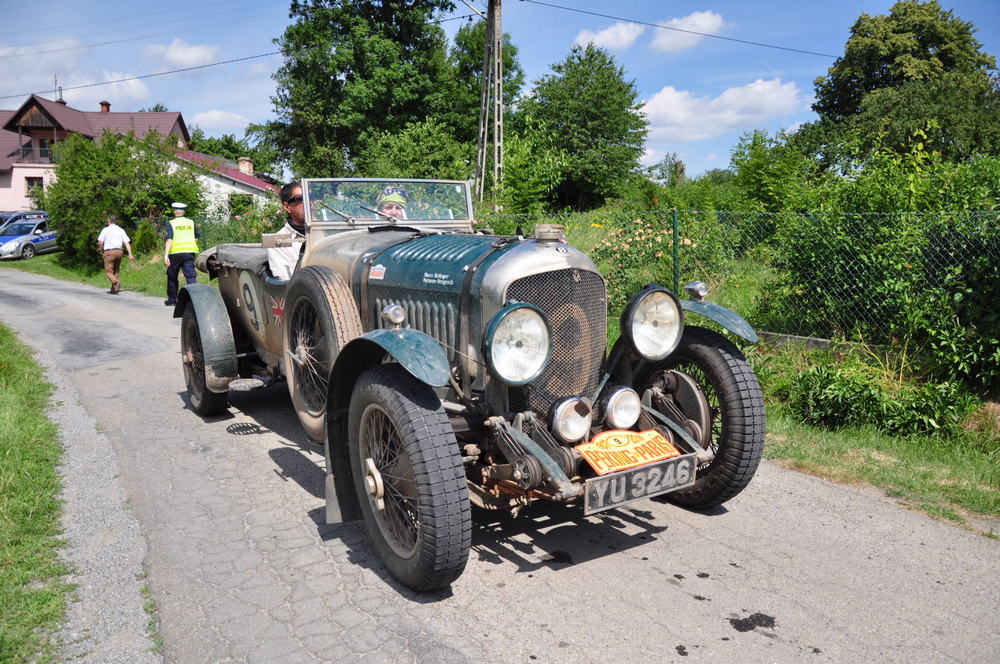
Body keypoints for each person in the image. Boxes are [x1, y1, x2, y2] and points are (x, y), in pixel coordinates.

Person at [267, 182, 306, 281]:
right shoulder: (276, 240)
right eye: (301, 198)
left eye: (311, 197)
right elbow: (286, 283)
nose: (309, 202)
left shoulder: (325, 233)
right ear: (287, 207)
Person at [163, 202, 199, 306]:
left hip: (175, 253)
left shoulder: (171, 223)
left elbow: (169, 240)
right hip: (189, 253)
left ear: (174, 211)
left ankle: (172, 300)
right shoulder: (191, 222)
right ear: (184, 211)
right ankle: (195, 299)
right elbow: (196, 236)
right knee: (191, 276)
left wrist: (166, 255)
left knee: (172, 275)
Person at [96, 215, 134, 294]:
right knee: (116, 271)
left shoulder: (105, 230)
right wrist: (130, 254)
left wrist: (101, 249)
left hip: (109, 252)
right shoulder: (121, 230)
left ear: (109, 221)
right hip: (119, 252)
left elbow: (100, 242)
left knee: (108, 272)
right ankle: (114, 289)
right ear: (116, 221)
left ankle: (116, 282)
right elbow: (127, 243)